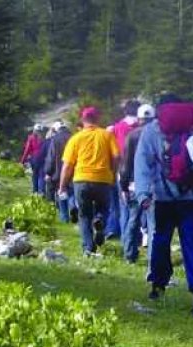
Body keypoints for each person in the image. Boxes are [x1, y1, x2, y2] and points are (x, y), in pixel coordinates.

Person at [135, 95, 193, 317]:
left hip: (162, 198)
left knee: (160, 240)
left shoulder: (153, 130)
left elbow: (142, 163)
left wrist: (142, 194)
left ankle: (158, 285)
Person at [58, 107, 120, 255]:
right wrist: (113, 172)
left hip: (81, 180)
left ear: (82, 120)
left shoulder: (75, 138)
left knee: (84, 215)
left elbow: (67, 165)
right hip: (103, 179)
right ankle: (100, 220)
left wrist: (62, 186)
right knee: (104, 208)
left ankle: (88, 247)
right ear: (97, 119)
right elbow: (117, 156)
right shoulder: (107, 135)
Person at [119, 104, 156, 263]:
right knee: (153, 224)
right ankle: (153, 258)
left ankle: (129, 254)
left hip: (135, 183)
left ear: (139, 119)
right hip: (154, 184)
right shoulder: (157, 135)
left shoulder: (132, 135)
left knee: (133, 220)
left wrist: (123, 186)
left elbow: (125, 164)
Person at [106, 100, 141, 239]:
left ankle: (121, 232)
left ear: (125, 111)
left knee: (122, 204)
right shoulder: (143, 126)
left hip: (122, 167)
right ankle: (138, 234)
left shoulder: (117, 127)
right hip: (140, 169)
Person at [41, 121, 73, 222]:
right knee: (72, 192)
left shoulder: (55, 139)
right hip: (73, 170)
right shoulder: (74, 138)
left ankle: (64, 217)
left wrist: (48, 172)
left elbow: (51, 157)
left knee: (61, 192)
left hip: (59, 171)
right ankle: (73, 207)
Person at [20, 124, 45, 193]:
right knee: (41, 175)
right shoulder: (43, 138)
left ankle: (35, 190)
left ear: (34, 130)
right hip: (43, 158)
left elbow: (27, 150)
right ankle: (41, 192)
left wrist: (22, 160)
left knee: (35, 175)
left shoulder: (31, 138)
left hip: (34, 158)